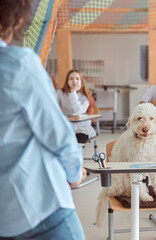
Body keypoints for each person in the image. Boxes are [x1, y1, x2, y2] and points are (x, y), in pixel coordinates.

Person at [0, 1, 86, 239]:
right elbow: (58, 135)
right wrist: (75, 172)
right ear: (16, 19)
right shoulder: (18, 64)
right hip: (41, 206)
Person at [57, 69, 96, 143]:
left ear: (81, 81)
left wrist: (73, 93)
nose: (74, 81)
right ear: (67, 81)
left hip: (82, 126)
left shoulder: (86, 95)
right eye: (71, 78)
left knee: (77, 142)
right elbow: (53, 107)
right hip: (67, 125)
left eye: (77, 79)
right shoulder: (61, 93)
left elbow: (78, 111)